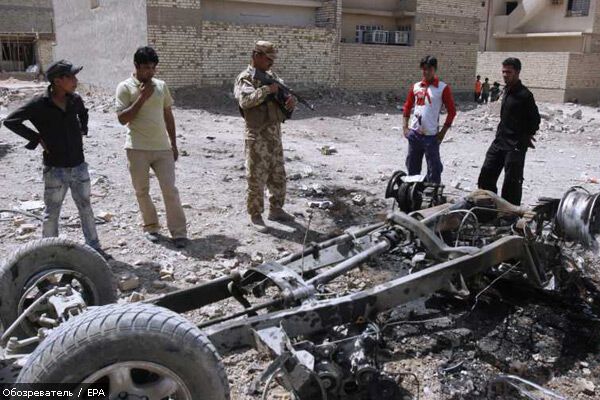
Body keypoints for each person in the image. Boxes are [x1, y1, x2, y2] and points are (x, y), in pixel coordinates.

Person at [3, 60, 107, 257]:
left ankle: (94, 248)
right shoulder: (39, 103)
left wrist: (83, 128)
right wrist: (36, 138)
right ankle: (50, 253)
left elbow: (83, 113)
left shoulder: (75, 100)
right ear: (58, 81)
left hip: (79, 166)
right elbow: (11, 121)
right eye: (71, 77)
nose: (76, 80)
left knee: (85, 207)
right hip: (55, 169)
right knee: (52, 214)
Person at [115, 46, 188, 248]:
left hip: (162, 148)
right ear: (136, 66)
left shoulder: (161, 86)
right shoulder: (125, 87)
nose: (150, 72)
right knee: (142, 190)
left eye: (153, 68)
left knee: (170, 190)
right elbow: (122, 118)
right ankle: (151, 227)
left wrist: (173, 144)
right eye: (146, 68)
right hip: (137, 148)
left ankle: (179, 232)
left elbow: (168, 114)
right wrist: (142, 98)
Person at [233, 40, 296, 232]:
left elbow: (283, 96)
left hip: (274, 134)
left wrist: (289, 101)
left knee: (278, 174)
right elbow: (245, 101)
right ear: (256, 56)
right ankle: (256, 215)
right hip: (257, 136)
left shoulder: (272, 76)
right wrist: (267, 90)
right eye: (268, 59)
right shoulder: (246, 78)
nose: (271, 63)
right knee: (256, 177)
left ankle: (276, 209)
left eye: (272, 59)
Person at [477, 57, 540, 206]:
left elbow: (535, 120)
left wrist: (525, 136)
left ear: (517, 72)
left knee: (512, 182)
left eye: (509, 72)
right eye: (503, 72)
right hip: (499, 141)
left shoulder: (525, 95)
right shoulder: (506, 91)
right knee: (486, 174)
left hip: (515, 146)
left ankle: (509, 215)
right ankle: (488, 208)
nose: (505, 75)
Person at [402, 55, 456, 184]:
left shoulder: (442, 88)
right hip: (414, 135)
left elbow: (452, 112)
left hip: (431, 137)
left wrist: (442, 133)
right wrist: (405, 128)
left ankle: (433, 197)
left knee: (434, 169)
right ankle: (413, 196)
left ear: (435, 69)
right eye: (424, 69)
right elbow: (407, 107)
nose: (426, 72)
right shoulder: (416, 87)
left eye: (429, 69)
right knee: (412, 168)